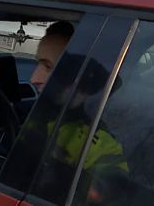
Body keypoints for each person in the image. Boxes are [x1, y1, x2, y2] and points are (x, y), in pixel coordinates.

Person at [29, 21, 129, 205]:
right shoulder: (37, 113)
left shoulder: (99, 144)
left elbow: (112, 190)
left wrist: (58, 172)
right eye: (38, 63)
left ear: (83, 85)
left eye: (49, 68)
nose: (33, 78)